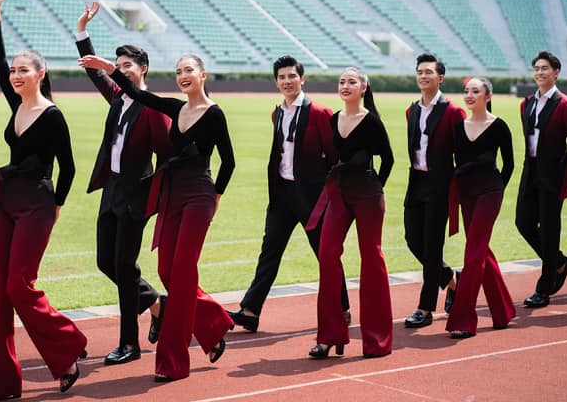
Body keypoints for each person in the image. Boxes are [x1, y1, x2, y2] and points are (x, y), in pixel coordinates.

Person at [79, 51, 235, 381]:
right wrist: (108, 68)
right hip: (172, 195)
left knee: (180, 274)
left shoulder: (215, 114)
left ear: (203, 75)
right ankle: (211, 324)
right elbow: (135, 93)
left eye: (189, 69)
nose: (183, 75)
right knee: (167, 271)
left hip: (198, 194)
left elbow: (229, 161)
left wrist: (215, 195)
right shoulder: (173, 107)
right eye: (178, 71)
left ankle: (172, 360)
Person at [0, 0, 86, 398]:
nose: (16, 74)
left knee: (18, 286)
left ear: (40, 74)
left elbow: (70, 168)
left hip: (37, 203)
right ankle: (1, 382)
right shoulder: (15, 102)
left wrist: (55, 206)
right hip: (6, 200)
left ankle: (67, 347)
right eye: (14, 71)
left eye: (24, 70)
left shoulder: (53, 116)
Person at [75, 1, 170, 365]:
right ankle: (156, 303)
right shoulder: (117, 99)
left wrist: (154, 200)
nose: (121, 70)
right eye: (120, 65)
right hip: (111, 192)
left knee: (125, 267)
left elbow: (166, 157)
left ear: (142, 69)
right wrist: (83, 31)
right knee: (105, 261)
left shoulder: (154, 108)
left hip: (136, 197)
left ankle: (128, 344)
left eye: (128, 65)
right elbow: (96, 74)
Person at [229, 55, 349, 333]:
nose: (287, 81)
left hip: (313, 199)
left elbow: (335, 157)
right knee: (269, 253)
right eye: (282, 77)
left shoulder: (320, 113)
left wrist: (329, 197)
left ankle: (341, 307)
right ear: (276, 82)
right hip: (282, 196)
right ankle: (250, 310)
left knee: (326, 255)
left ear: (302, 78)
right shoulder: (277, 113)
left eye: (292, 76)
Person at [309, 66, 393, 359]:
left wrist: (374, 188)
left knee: (371, 259)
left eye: (351, 81)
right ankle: (330, 334)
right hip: (339, 193)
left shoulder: (371, 122)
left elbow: (388, 159)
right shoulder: (334, 119)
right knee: (327, 253)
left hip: (368, 194)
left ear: (363, 88)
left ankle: (376, 339)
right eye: (342, 81)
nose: (345, 85)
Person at [445, 78, 515, 338]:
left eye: (476, 91)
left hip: (489, 192)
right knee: (481, 252)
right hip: (467, 194)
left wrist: (497, 188)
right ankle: (503, 311)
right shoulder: (458, 127)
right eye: (467, 91)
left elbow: (509, 165)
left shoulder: (499, 126)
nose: (470, 95)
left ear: (488, 95)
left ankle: (463, 319)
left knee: (472, 254)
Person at [403, 53, 465, 328]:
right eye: (420, 72)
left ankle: (425, 308)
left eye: (429, 72)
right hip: (416, 182)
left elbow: (462, 152)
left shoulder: (453, 112)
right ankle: (451, 279)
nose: (423, 76)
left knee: (432, 246)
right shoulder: (412, 110)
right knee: (413, 239)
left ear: (440, 77)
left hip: (440, 186)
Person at [515, 50, 567, 308]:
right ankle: (561, 262)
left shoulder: (566, 105)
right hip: (529, 173)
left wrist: (564, 173)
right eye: (537, 68)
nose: (540, 72)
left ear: (556, 72)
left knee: (550, 231)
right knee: (523, 223)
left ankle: (544, 287)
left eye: (545, 68)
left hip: (553, 176)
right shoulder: (527, 103)